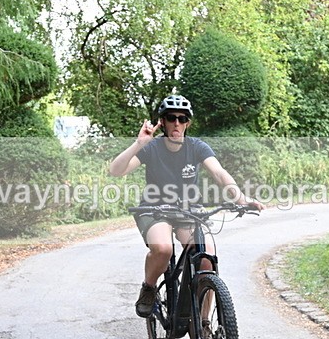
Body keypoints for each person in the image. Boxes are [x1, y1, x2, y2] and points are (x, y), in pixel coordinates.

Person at [108, 94, 264, 318]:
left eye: (182, 119)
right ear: (163, 122)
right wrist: (139, 143)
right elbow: (116, 171)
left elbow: (219, 173)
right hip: (155, 209)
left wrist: (241, 199)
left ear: (188, 123)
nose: (177, 123)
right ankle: (149, 288)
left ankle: (203, 324)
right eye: (171, 118)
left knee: (206, 259)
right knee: (163, 249)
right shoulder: (152, 148)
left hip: (187, 210)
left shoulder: (196, 147)